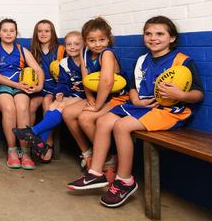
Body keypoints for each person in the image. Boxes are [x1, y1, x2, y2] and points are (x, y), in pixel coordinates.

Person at [67, 16, 204, 208]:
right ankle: (96, 173)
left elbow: (198, 94)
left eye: (159, 34)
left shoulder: (182, 61)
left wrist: (180, 94)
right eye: (148, 34)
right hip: (140, 107)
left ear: (172, 38)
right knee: (105, 120)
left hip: (169, 110)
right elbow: (132, 86)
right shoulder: (142, 60)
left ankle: (125, 180)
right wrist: (136, 99)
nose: (153, 38)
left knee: (122, 126)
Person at [62, 17, 128, 176]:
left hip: (116, 98)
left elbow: (106, 82)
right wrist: (90, 97)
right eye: (92, 40)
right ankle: (88, 153)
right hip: (99, 97)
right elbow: (86, 79)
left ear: (109, 39)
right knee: (68, 113)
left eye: (102, 39)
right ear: (85, 41)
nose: (98, 44)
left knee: (85, 118)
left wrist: (97, 105)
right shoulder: (84, 53)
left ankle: (109, 157)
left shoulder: (107, 54)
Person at [13, 31, 84, 162]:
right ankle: (41, 142)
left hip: (83, 96)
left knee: (56, 105)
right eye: (69, 44)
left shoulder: (86, 62)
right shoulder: (64, 63)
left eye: (76, 44)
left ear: (83, 45)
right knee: (54, 105)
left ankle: (34, 133)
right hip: (70, 95)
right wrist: (60, 92)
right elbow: (63, 82)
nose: (72, 47)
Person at [0, 18, 44, 169]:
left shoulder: (22, 50)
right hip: (0, 87)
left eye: (12, 30)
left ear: (16, 33)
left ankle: (25, 152)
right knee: (9, 108)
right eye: (5, 30)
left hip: (20, 87)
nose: (8, 33)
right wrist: (17, 84)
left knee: (22, 108)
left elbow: (38, 70)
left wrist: (38, 87)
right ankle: (12, 151)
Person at [28, 20, 64, 159]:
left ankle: (47, 143)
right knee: (30, 105)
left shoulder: (61, 50)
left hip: (56, 89)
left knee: (47, 103)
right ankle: (30, 142)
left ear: (52, 32)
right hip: (40, 88)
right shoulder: (33, 51)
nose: (43, 34)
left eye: (47, 31)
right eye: (40, 31)